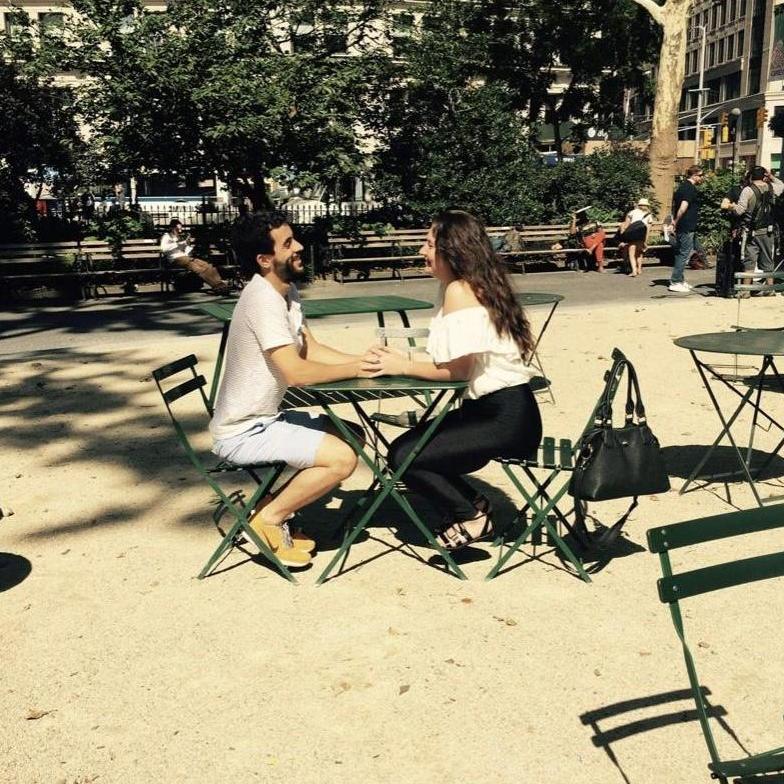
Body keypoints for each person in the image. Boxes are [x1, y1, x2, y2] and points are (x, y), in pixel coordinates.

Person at [363, 210, 542, 551]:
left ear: (453, 249)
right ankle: (474, 505)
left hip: (503, 418)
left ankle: (471, 515)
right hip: (498, 411)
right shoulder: (474, 285)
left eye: (429, 244)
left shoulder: (460, 290)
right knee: (401, 451)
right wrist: (401, 360)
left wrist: (402, 366)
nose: (422, 251)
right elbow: (456, 363)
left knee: (405, 457)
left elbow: (456, 372)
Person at [210, 211, 374, 568]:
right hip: (243, 430)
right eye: (288, 244)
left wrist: (366, 362)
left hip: (265, 419)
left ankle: (271, 508)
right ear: (264, 259)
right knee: (342, 458)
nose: (299, 246)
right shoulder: (262, 300)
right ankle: (268, 519)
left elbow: (308, 348)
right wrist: (356, 369)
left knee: (352, 435)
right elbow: (297, 373)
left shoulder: (285, 290)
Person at [724, 166, 784, 297]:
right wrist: (771, 177)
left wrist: (731, 206)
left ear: (751, 176)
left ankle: (745, 291)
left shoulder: (747, 190)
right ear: (764, 176)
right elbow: (781, 184)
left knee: (749, 260)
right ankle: (770, 289)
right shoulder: (772, 188)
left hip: (751, 232)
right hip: (768, 231)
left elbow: (740, 210)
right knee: (768, 260)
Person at [160, 219, 229, 293]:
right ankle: (216, 286)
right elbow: (163, 249)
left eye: (181, 229)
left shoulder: (179, 237)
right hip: (175, 259)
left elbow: (186, 252)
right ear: (172, 228)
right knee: (198, 268)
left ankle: (220, 283)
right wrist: (177, 244)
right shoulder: (167, 236)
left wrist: (188, 247)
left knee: (207, 265)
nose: (180, 231)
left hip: (186, 258)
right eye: (177, 229)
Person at [669, 165, 705, 293]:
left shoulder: (682, 187)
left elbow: (675, 206)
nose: (702, 178)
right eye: (700, 175)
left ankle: (680, 279)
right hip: (686, 225)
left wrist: (675, 221)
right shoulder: (689, 188)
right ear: (694, 176)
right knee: (683, 253)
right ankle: (675, 281)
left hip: (685, 225)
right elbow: (683, 207)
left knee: (683, 252)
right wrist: (675, 222)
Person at [618, 197, 654, 277]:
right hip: (641, 236)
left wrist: (623, 237)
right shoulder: (649, 215)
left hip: (632, 235)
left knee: (632, 254)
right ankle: (639, 269)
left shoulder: (632, 212)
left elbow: (626, 225)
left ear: (639, 205)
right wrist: (645, 241)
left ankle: (634, 271)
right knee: (639, 252)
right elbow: (648, 230)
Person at [569, 207, 607, 272]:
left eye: (584, 213)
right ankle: (600, 267)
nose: (583, 215)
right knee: (600, 245)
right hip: (587, 240)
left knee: (602, 234)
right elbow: (572, 233)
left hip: (596, 239)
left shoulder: (594, 221)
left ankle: (591, 249)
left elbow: (601, 232)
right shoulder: (578, 224)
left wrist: (595, 234)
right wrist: (574, 220)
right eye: (581, 214)